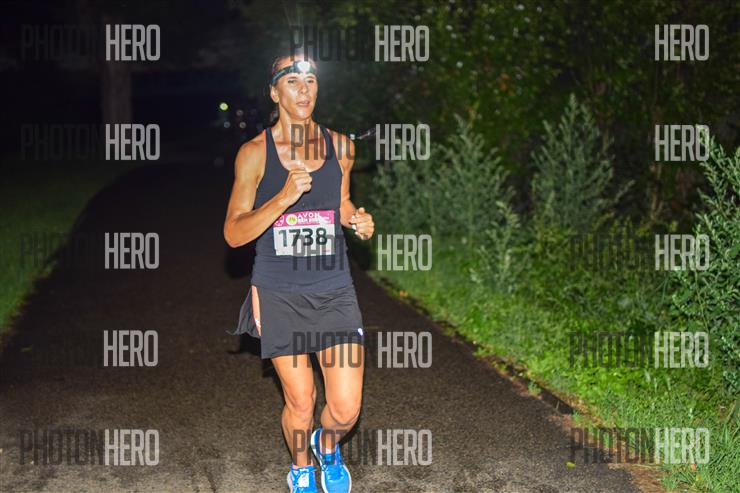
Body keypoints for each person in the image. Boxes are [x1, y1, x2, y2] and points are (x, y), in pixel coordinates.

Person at [224, 54, 374, 493]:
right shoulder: (254, 154)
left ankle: (326, 446)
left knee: (345, 407)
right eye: (292, 81)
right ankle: (302, 466)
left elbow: (339, 201)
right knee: (302, 400)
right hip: (279, 292)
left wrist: (355, 218)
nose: (304, 89)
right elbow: (233, 233)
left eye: (310, 80)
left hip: (333, 289)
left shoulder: (341, 147)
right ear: (274, 92)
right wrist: (283, 198)